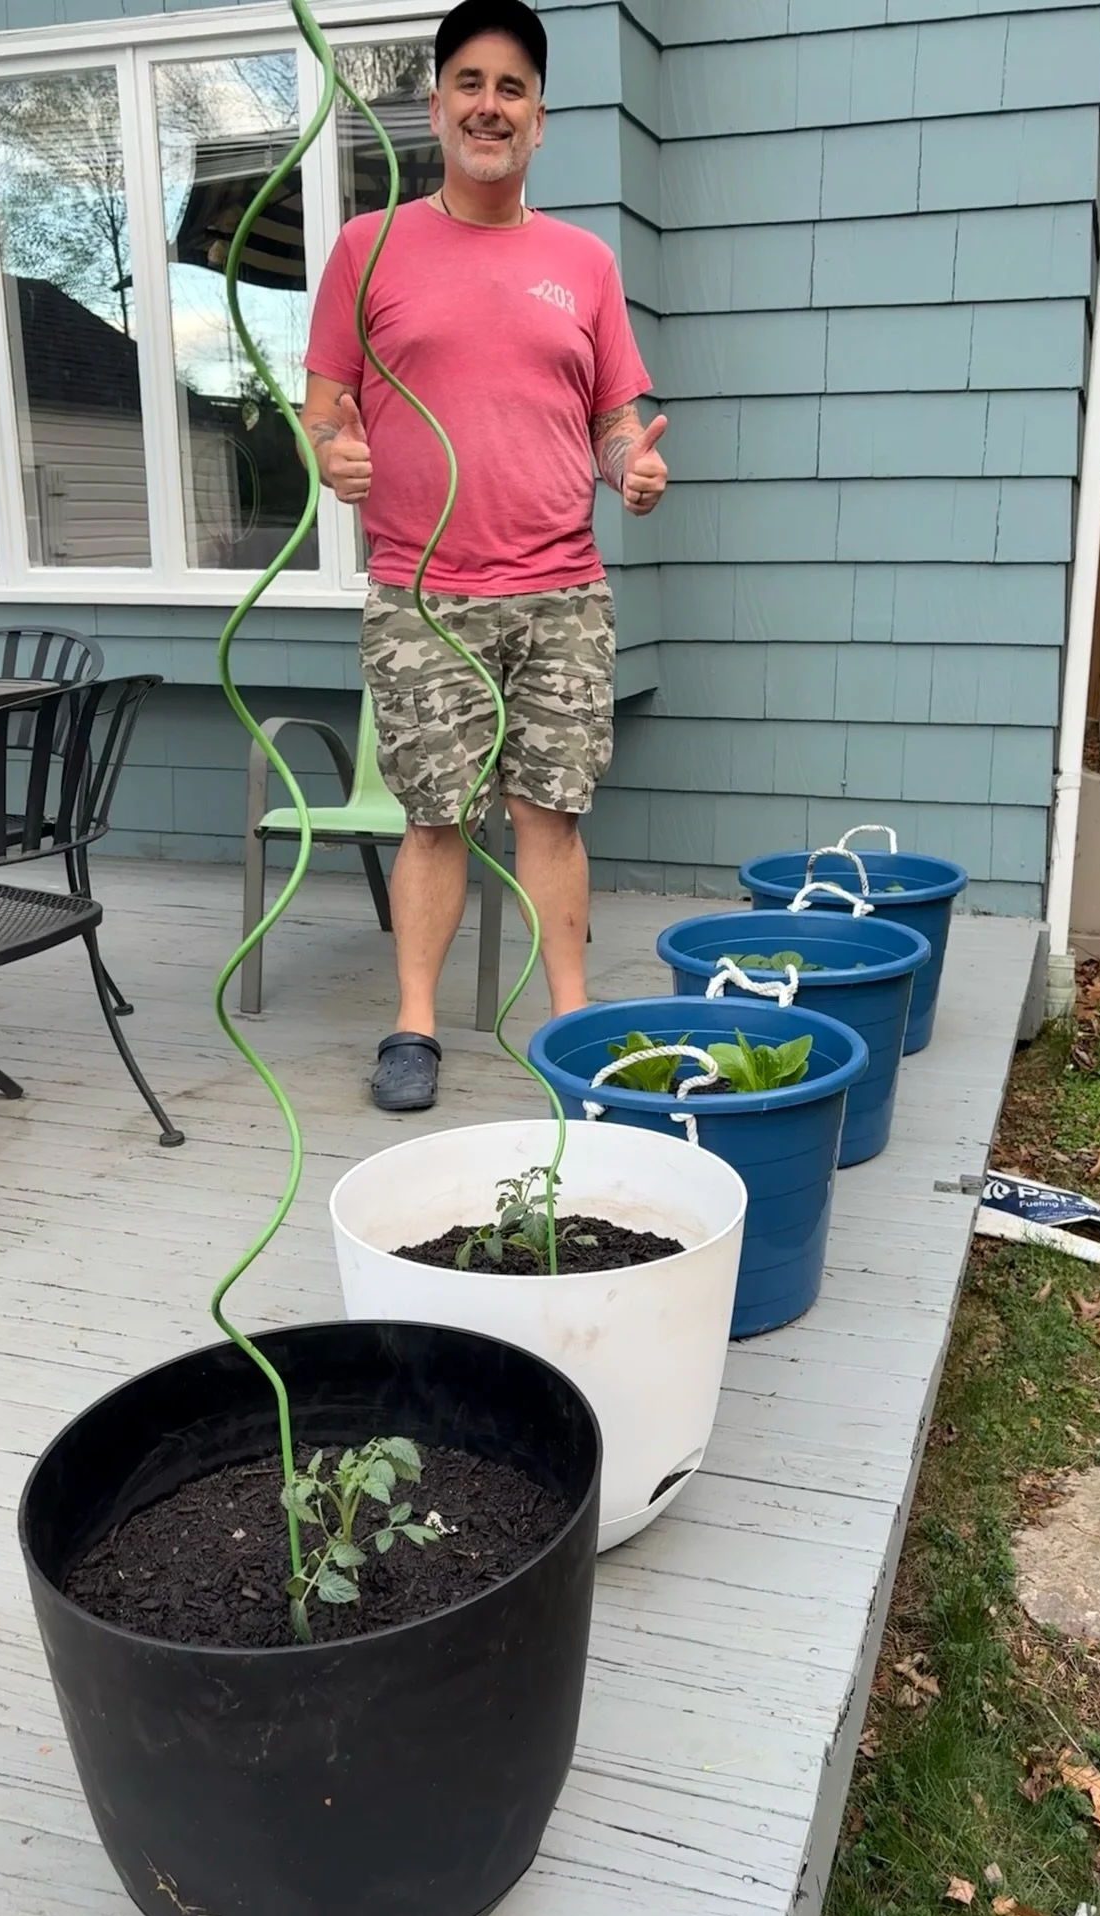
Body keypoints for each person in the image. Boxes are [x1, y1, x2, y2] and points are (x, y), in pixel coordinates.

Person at [302, 0, 667, 1113]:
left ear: (541, 120)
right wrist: (336, 456)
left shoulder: (583, 263)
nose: (489, 105)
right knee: (434, 816)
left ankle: (568, 1023)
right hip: (423, 592)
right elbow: (325, 408)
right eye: (470, 82)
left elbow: (613, 415)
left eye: (512, 88)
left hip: (563, 589)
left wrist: (629, 468)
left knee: (553, 813)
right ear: (436, 106)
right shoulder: (369, 249)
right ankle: (414, 1027)